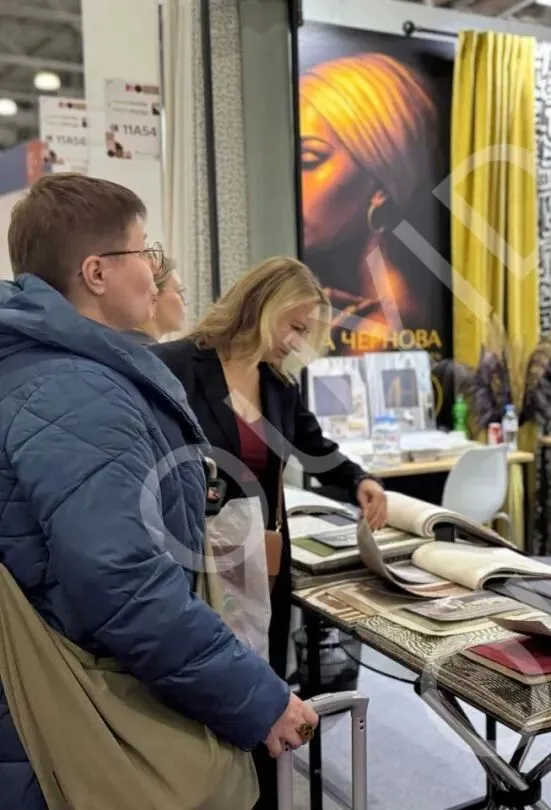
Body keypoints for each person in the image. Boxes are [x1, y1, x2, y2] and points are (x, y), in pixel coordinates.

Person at [0, 173, 316, 810]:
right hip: (86, 702)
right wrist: (255, 697)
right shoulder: (78, 392)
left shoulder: (54, 369)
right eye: (144, 250)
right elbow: (122, 582)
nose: (156, 268)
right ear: (96, 272)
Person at [151, 255, 390, 810]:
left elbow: (314, 448)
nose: (298, 342)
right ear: (264, 307)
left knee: (264, 698)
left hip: (262, 571)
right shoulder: (176, 364)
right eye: (296, 327)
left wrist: (359, 480)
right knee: (200, 703)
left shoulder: (277, 386)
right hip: (194, 571)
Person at [298, 53, 440, 349]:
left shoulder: (379, 329)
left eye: (309, 160)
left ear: (380, 185)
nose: (293, 183)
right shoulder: (345, 309)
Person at [126, 255, 187, 345]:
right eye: (179, 291)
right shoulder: (143, 351)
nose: (185, 301)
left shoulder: (120, 344)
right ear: (152, 295)